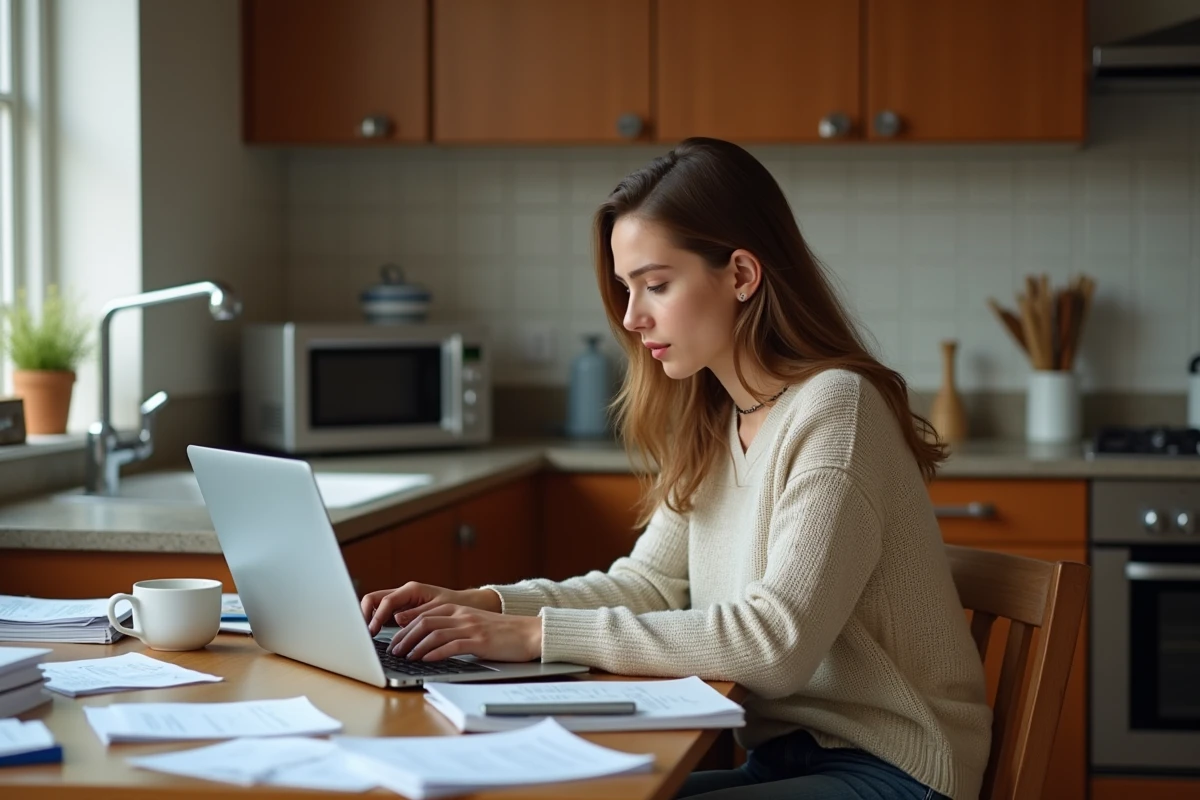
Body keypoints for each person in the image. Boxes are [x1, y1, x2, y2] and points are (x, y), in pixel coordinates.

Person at [360, 138, 991, 800]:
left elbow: (776, 643)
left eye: (656, 284)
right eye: (627, 288)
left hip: (892, 768)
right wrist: (485, 605)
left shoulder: (835, 407)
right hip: (785, 761)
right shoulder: (720, 417)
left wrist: (531, 634)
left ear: (742, 275)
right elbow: (649, 584)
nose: (633, 318)